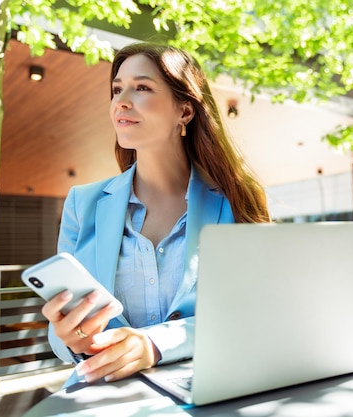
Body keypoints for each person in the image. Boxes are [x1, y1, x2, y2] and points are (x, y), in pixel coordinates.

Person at [41, 42, 270, 386]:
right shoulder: (81, 203)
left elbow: (255, 312)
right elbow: (60, 334)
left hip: (211, 390)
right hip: (105, 396)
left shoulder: (236, 199)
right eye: (117, 89)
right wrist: (71, 339)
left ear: (185, 112)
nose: (121, 100)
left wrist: (155, 344)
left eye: (142, 87)